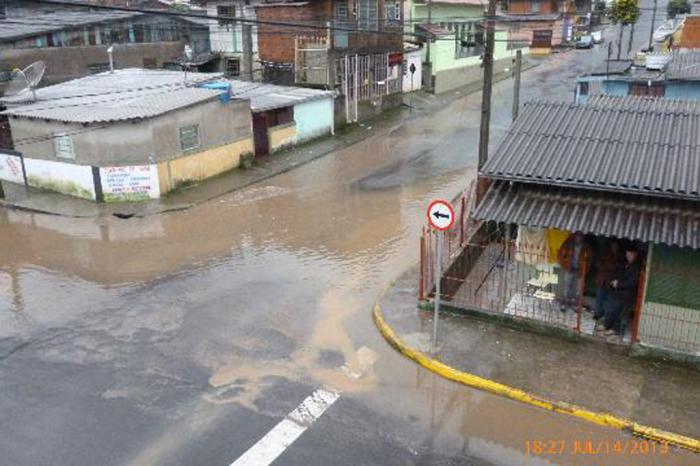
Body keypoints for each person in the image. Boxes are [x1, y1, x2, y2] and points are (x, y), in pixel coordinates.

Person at [602, 246, 641, 337]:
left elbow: (632, 282)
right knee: (611, 307)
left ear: (635, 255)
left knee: (620, 311)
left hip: (627, 293)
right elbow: (620, 274)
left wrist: (619, 283)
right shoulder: (626, 264)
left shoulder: (636, 267)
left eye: (630, 255)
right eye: (627, 254)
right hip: (619, 291)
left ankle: (615, 329)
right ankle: (607, 325)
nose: (628, 256)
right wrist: (615, 281)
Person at [557, 232, 591, 312]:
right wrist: (565, 265)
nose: (578, 238)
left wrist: (585, 269)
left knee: (578, 289)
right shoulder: (568, 244)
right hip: (569, 268)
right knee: (567, 287)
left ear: (582, 237)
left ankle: (576, 306)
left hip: (580, 270)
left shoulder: (586, 247)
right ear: (574, 236)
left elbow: (590, 260)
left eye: (580, 236)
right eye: (577, 236)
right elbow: (560, 255)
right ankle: (564, 304)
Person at [593, 240, 622, 321]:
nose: (615, 247)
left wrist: (608, 267)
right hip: (602, 279)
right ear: (611, 246)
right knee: (599, 297)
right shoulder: (605, 253)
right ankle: (598, 313)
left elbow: (620, 268)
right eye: (613, 245)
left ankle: (608, 316)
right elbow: (598, 263)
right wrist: (609, 267)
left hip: (612, 281)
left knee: (611, 299)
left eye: (616, 246)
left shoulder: (620, 256)